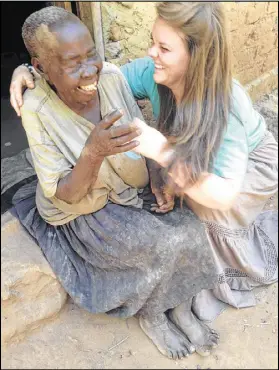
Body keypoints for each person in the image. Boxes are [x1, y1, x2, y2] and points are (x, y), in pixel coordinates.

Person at [9, 0, 278, 350]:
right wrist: (27, 71)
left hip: (240, 171)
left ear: (197, 57)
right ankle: (159, 309)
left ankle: (185, 298)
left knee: (196, 216)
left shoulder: (226, 104)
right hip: (129, 184)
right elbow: (87, 72)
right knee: (171, 226)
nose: (151, 52)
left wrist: (161, 157)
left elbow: (222, 193)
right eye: (153, 40)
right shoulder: (143, 74)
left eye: (164, 47)